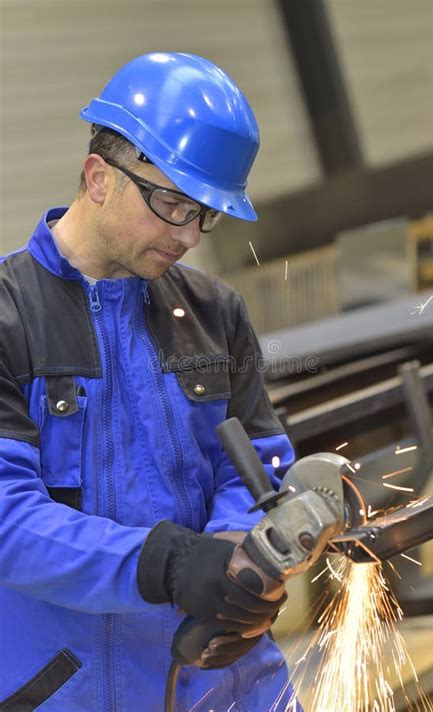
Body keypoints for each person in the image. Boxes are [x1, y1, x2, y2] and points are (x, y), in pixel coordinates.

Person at [0, 53, 301, 711]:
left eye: (206, 215)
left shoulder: (214, 313)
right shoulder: (8, 317)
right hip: (61, 690)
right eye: (173, 205)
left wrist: (235, 553)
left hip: (224, 685)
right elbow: (6, 516)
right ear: (98, 177)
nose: (191, 235)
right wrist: (164, 565)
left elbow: (255, 469)